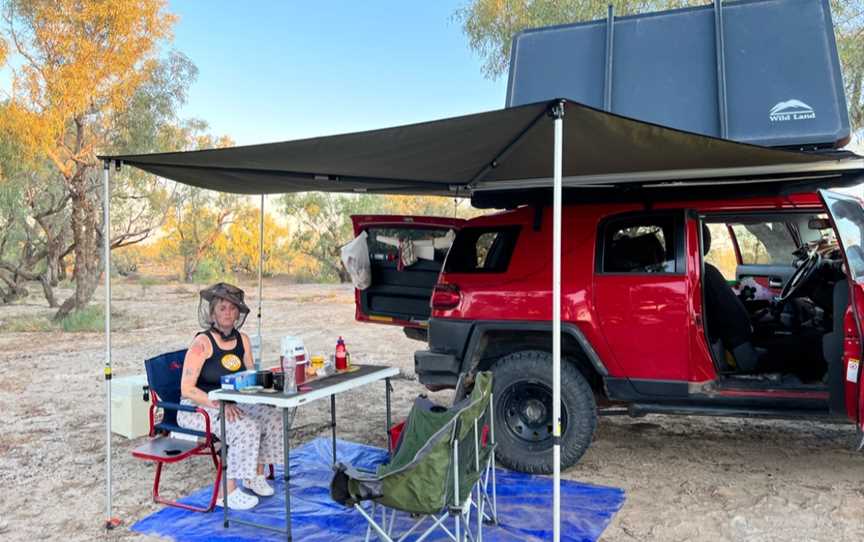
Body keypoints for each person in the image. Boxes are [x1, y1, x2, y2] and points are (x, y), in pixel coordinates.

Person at [177, 282, 282, 510]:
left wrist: (270, 387)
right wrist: (220, 405)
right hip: (197, 406)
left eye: (233, 308)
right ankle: (227, 492)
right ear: (212, 312)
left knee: (272, 416)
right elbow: (187, 389)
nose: (228, 313)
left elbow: (250, 376)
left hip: (233, 400)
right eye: (222, 308)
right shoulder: (202, 343)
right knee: (245, 426)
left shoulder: (243, 339)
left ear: (239, 313)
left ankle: (254, 476)